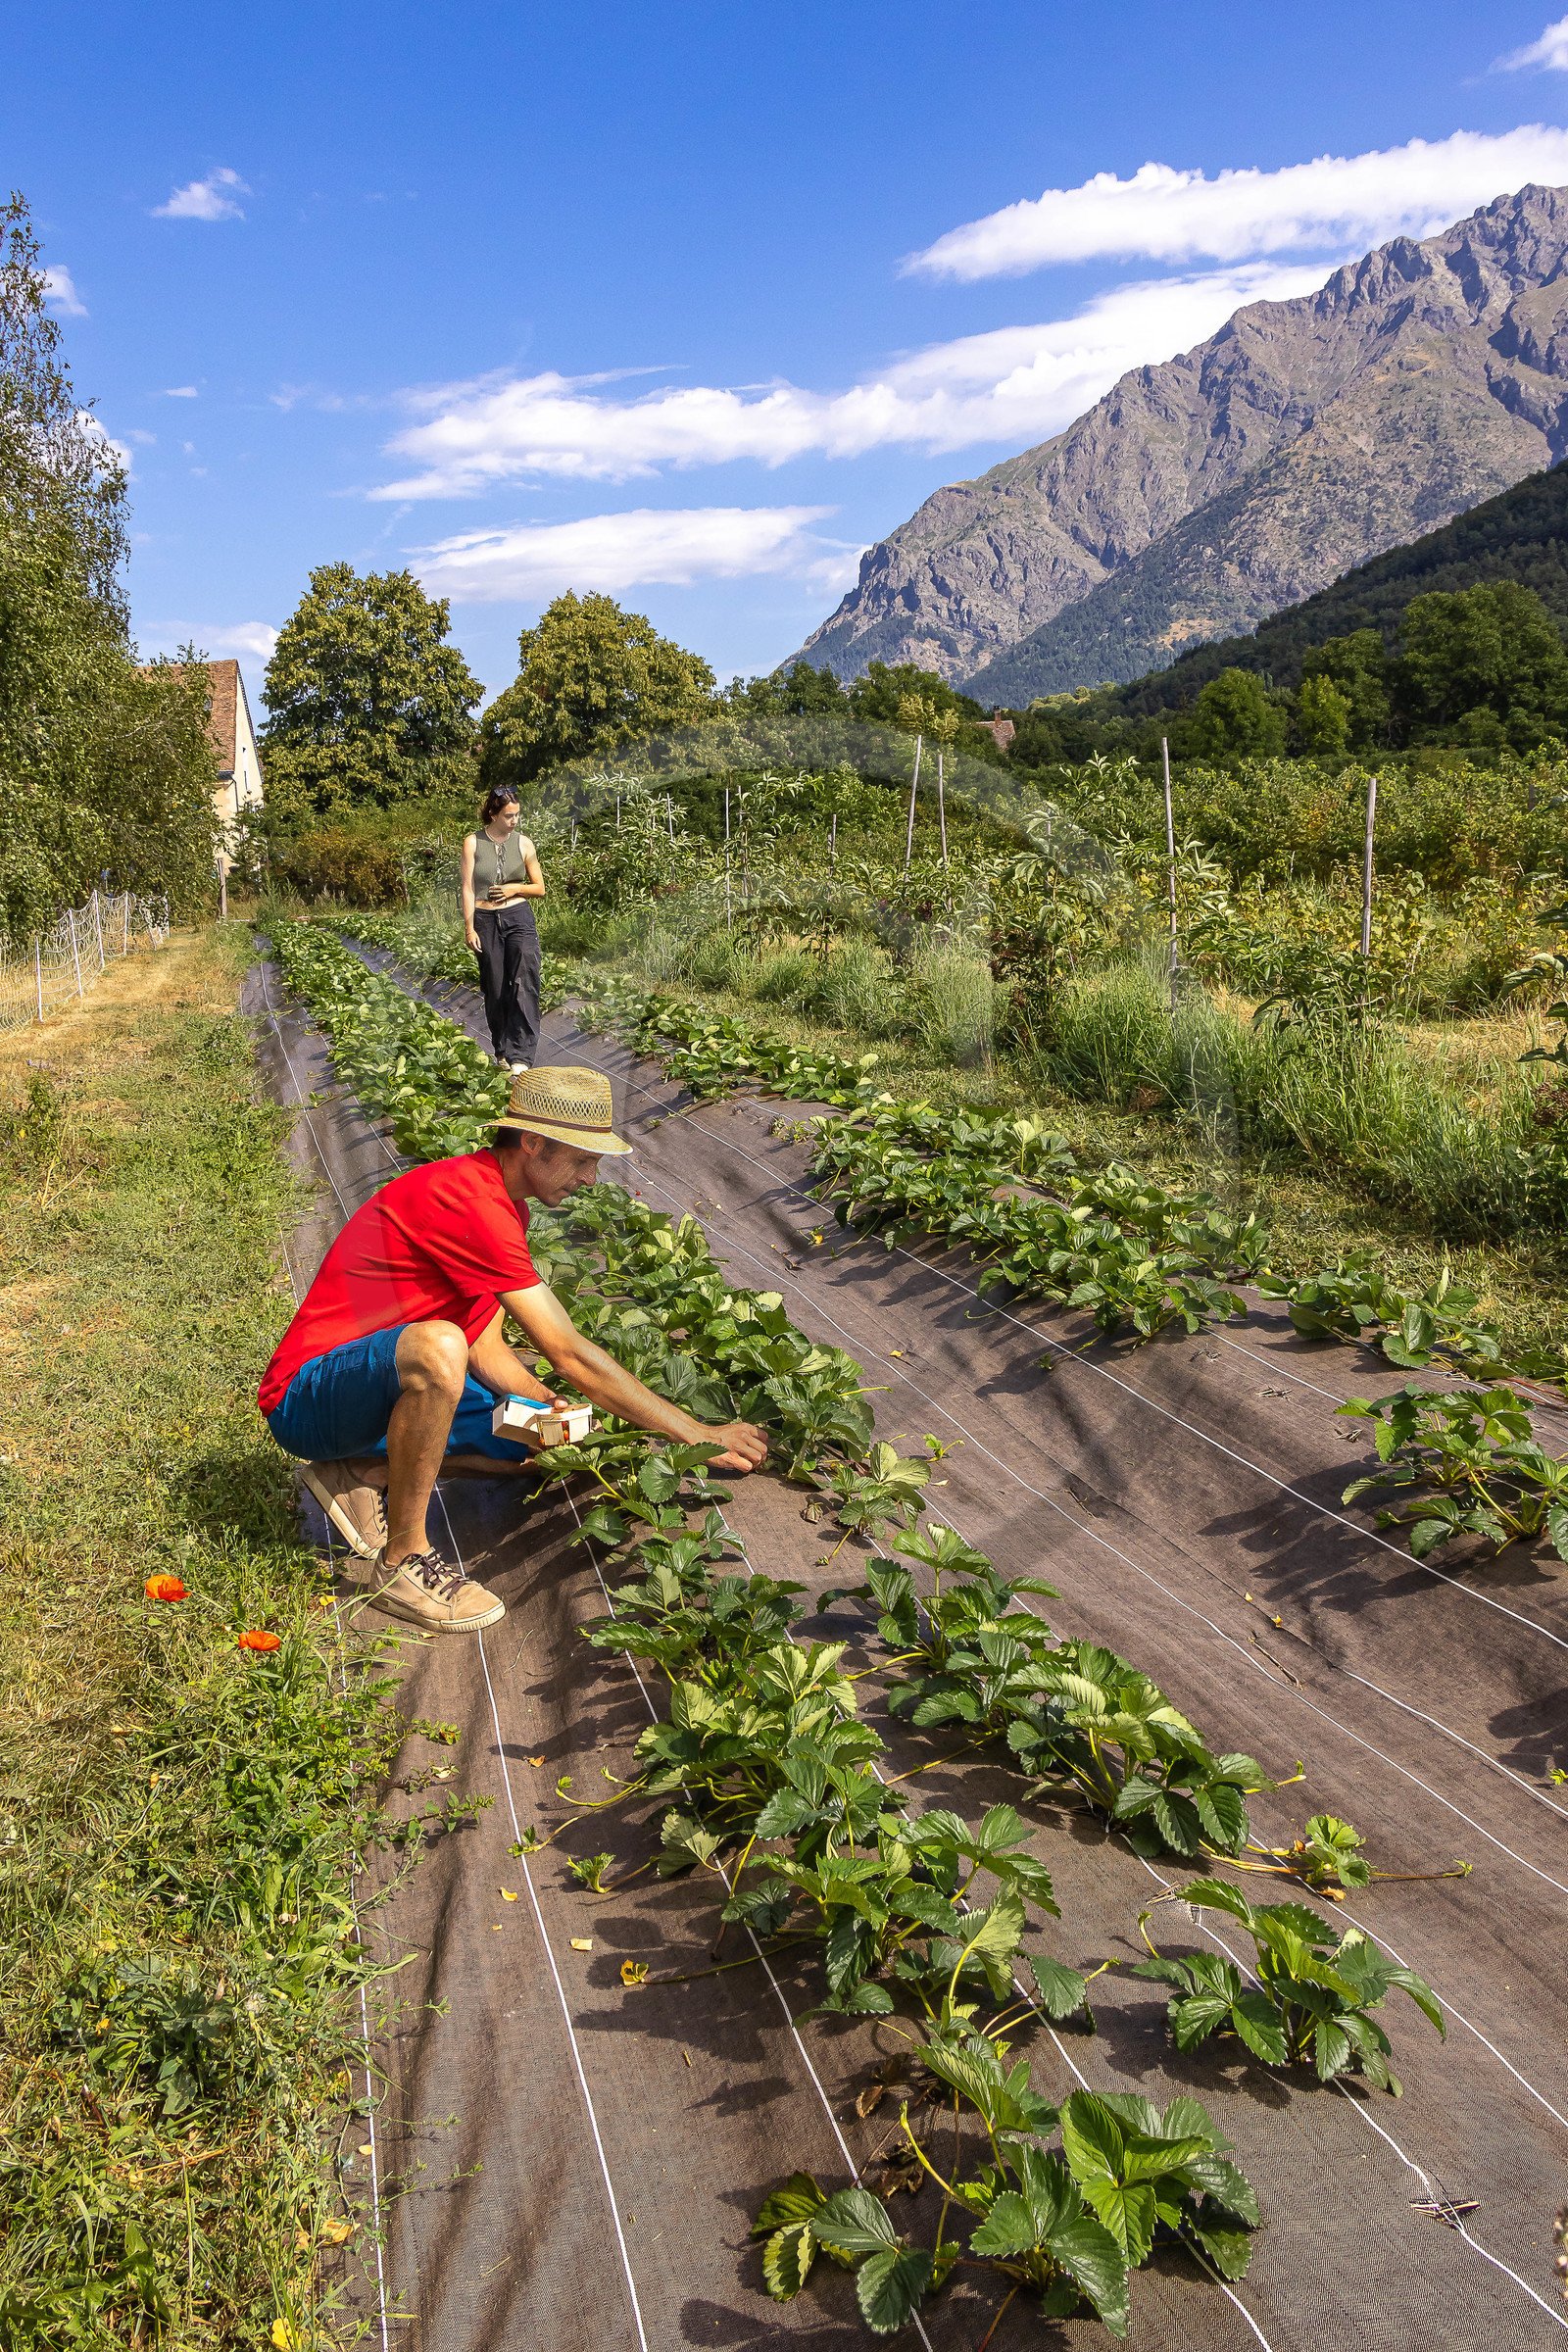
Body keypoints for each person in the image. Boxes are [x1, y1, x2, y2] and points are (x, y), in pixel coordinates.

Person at [258, 1065, 767, 1636]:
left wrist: (554, 1411)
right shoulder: (464, 1198)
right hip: (310, 1397)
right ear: (533, 1144)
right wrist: (695, 1433)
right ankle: (402, 1560)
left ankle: (361, 1470)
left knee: (545, 1441)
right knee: (437, 1344)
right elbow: (566, 1351)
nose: (592, 1179)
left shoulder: (506, 1204)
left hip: (383, 1397)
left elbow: (485, 1343)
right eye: (582, 1159)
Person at [461, 785, 545, 1071]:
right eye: (509, 816)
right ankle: (502, 1051)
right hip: (485, 921)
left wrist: (513, 889)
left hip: (518, 918)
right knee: (495, 989)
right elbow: (468, 888)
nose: (514, 821)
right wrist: (470, 928)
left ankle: (521, 1056)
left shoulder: (524, 844)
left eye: (517, 815)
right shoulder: (472, 842)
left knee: (524, 983)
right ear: (493, 813)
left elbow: (539, 887)